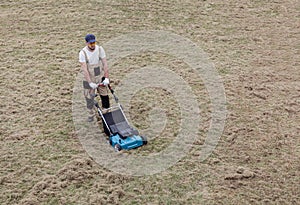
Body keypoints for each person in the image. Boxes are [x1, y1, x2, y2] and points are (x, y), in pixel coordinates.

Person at [79, 34, 110, 122]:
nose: (92, 45)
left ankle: (106, 112)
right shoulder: (83, 53)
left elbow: (105, 64)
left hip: (99, 75)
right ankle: (91, 114)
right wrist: (90, 82)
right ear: (86, 43)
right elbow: (85, 70)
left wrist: (106, 78)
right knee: (89, 97)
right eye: (90, 44)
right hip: (89, 77)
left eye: (94, 43)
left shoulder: (100, 49)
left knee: (104, 95)